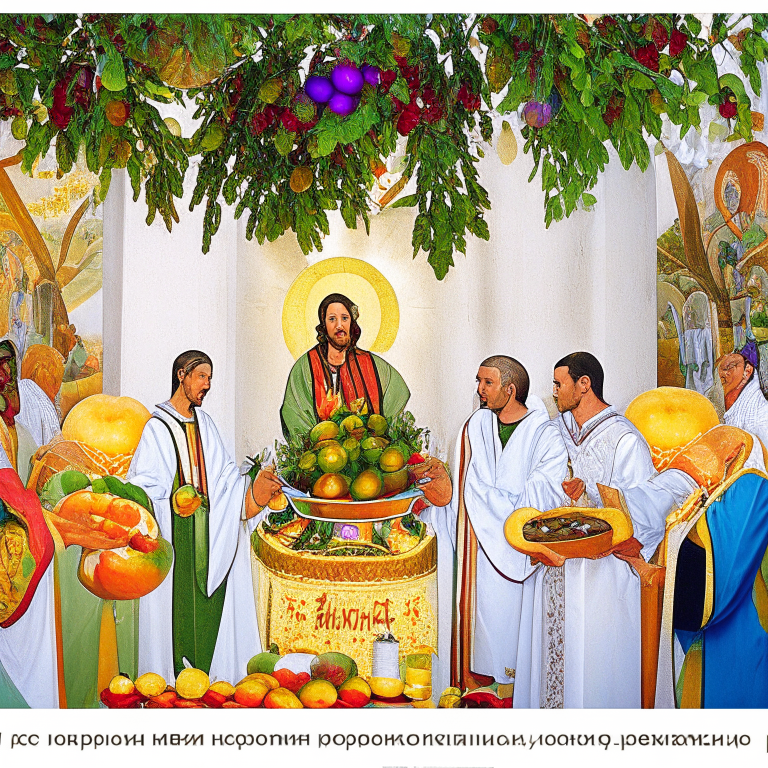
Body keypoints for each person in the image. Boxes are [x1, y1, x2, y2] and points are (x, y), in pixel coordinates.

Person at [515, 352, 696, 708]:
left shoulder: (623, 438)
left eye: (559, 383)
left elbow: (641, 508)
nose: (553, 391)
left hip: (604, 569)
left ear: (585, 384)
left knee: (595, 663)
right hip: (554, 561)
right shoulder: (553, 431)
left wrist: (593, 493)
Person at [127, 350, 281, 684]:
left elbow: (225, 478)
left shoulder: (206, 425)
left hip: (208, 536)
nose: (207, 385)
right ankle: (171, 679)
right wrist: (171, 501)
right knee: (177, 615)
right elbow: (142, 486)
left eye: (210, 378)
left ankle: (208, 683)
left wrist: (251, 490)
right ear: (181, 375)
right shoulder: (156, 428)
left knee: (208, 612)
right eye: (201, 376)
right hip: (174, 536)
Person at [420, 355, 567, 697]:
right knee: (479, 635)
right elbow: (457, 490)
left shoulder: (544, 434)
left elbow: (542, 492)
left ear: (510, 389)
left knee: (516, 640)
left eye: (487, 383)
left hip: (521, 549)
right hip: (475, 552)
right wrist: (445, 491)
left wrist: (479, 497)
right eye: (478, 382)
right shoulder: (473, 428)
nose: (480, 390)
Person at [280, 293, 410, 439]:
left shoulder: (371, 364)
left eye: (344, 318)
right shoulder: (306, 366)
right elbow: (294, 412)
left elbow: (399, 392)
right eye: (332, 319)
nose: (339, 325)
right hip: (324, 455)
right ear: (324, 325)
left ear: (352, 324)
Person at [718, 341, 768, 453]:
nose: (722, 374)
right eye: (721, 369)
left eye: (729, 368)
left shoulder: (760, 418)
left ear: (747, 371)